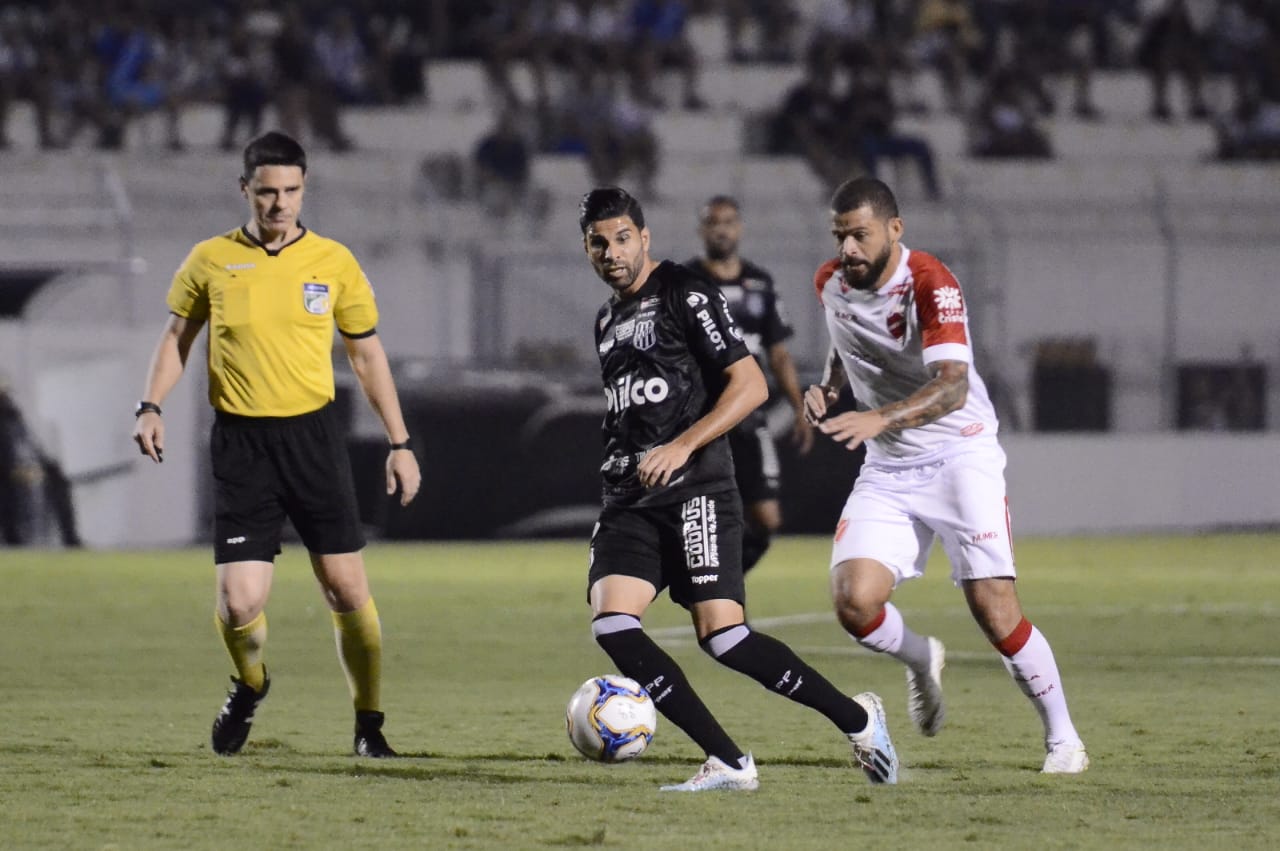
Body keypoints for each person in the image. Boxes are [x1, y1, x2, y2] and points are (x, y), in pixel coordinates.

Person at [579, 186, 896, 792]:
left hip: (696, 488)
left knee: (724, 639)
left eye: (622, 239)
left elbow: (750, 385)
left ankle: (858, 719)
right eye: (599, 243)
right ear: (587, 249)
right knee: (612, 624)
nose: (612, 253)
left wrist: (681, 446)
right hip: (629, 499)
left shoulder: (685, 291)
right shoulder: (605, 319)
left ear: (644, 238)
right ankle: (728, 761)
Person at [131, 131, 422, 759]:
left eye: (290, 190)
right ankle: (251, 684)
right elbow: (177, 338)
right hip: (241, 444)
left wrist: (399, 441)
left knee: (346, 590)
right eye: (267, 191)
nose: (279, 203)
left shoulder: (333, 262)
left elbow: (366, 355)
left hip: (313, 439)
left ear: (304, 189)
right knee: (239, 604)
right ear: (245, 190)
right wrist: (150, 405)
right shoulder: (210, 259)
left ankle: (369, 727)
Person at [803, 177, 1088, 774]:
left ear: (894, 230)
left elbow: (953, 386)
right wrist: (828, 387)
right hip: (888, 466)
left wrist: (879, 415)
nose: (848, 248)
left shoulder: (930, 282)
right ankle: (918, 659)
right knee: (854, 602)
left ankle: (1064, 740)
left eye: (860, 235)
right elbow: (844, 342)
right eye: (839, 236)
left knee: (995, 609)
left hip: (960, 457)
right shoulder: (830, 281)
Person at [686, 195, 812, 574]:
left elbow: (779, 355)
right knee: (700, 517)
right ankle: (709, 593)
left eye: (728, 222)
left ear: (739, 228)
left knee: (766, 519)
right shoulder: (687, 283)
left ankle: (719, 587)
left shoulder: (760, 283)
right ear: (702, 230)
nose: (721, 230)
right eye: (713, 222)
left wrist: (798, 408)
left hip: (748, 416)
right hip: (701, 416)